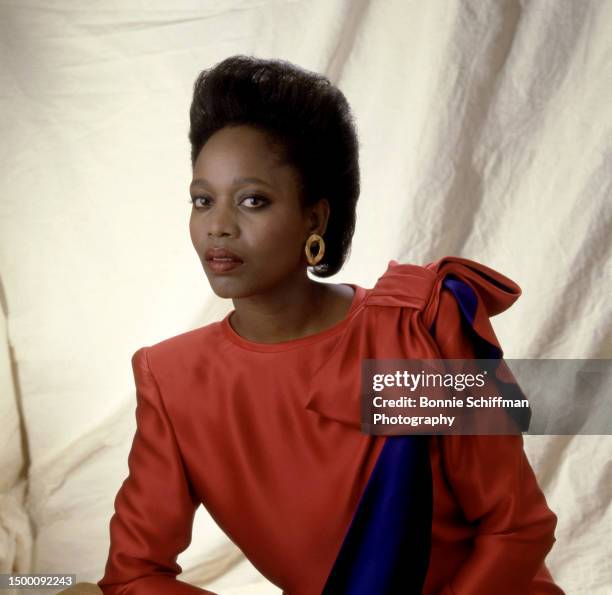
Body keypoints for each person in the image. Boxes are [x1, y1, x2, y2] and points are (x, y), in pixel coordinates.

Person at [96, 55, 564, 594]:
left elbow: (517, 527)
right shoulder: (172, 378)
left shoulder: (417, 329)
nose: (218, 227)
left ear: (314, 219)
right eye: (203, 200)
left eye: (253, 200)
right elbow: (134, 574)